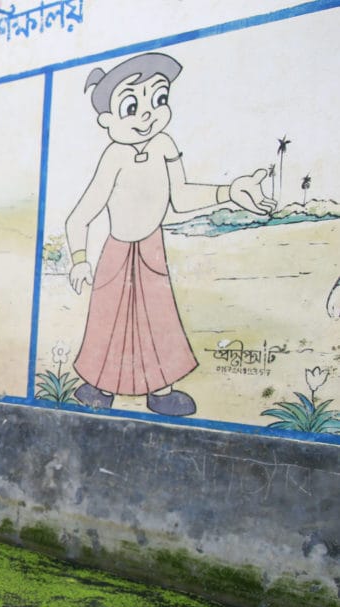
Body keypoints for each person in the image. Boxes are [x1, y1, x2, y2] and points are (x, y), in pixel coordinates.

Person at [65, 52, 273, 416]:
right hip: (118, 251)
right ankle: (99, 386)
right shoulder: (114, 156)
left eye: (158, 98)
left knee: (158, 317)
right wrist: (80, 260)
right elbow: (81, 215)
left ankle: (161, 390)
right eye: (132, 105)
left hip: (151, 247)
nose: (147, 113)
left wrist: (228, 192)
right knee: (108, 319)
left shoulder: (164, 146)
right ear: (107, 119)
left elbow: (182, 197)